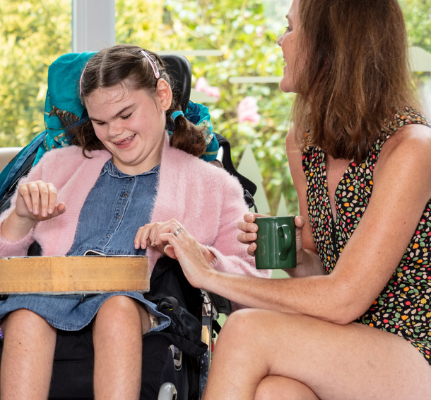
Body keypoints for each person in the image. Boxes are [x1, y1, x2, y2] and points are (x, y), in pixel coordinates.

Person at [0, 44, 268, 400]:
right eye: (101, 122)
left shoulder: (213, 186)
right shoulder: (56, 168)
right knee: (28, 312)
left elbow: (254, 294)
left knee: (116, 308)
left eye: (126, 114)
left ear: (162, 95)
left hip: (143, 312)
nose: (115, 132)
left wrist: (198, 255)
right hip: (48, 303)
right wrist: (20, 219)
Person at [160, 1, 431, 398]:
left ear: (330, 44)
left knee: (246, 328)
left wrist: (214, 278)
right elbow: (323, 276)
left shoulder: (412, 149)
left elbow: (343, 298)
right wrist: (294, 257)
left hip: (415, 351)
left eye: (290, 28)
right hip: (350, 342)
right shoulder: (305, 142)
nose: (280, 40)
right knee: (277, 392)